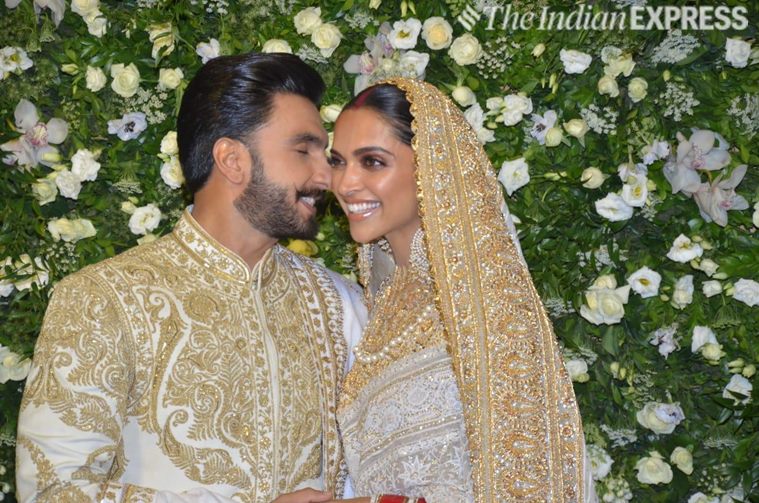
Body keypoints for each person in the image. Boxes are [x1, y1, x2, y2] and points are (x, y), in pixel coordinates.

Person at [15, 52, 366, 503]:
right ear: (232, 160)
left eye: (324, 153)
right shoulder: (103, 299)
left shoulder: (338, 304)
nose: (326, 176)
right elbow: (53, 488)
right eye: (303, 150)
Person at [327, 78, 597, 503]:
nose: (345, 184)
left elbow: (532, 481)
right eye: (338, 162)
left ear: (431, 167)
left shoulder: (490, 308)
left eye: (373, 162)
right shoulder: (382, 307)